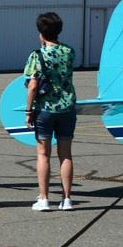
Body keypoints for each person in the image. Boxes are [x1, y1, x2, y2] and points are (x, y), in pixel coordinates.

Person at [24, 11, 78, 211]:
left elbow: (32, 85)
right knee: (66, 154)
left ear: (41, 32)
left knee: (43, 154)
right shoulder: (69, 52)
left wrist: (28, 110)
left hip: (45, 109)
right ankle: (67, 199)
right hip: (67, 107)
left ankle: (44, 198)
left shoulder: (37, 55)